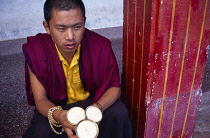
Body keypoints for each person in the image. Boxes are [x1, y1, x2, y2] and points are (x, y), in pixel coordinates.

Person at [22, 0, 132, 137]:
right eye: (61, 29)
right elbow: (41, 100)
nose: (70, 37)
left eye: (77, 27)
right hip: (56, 106)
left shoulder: (100, 46)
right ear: (47, 27)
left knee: (119, 112)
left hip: (93, 102)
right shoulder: (37, 51)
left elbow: (114, 87)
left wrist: (97, 109)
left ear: (84, 22)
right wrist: (59, 115)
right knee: (41, 132)